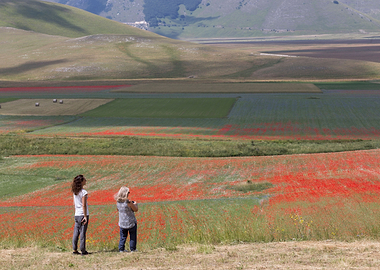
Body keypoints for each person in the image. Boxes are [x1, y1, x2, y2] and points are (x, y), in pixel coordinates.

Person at [114, 186, 138, 252]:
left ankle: (121, 249)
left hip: (122, 223)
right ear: (126, 193)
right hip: (131, 222)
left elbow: (118, 209)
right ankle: (133, 249)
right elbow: (135, 209)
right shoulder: (128, 202)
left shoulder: (118, 202)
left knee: (123, 237)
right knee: (132, 236)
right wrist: (135, 204)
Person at [71, 174, 89, 255]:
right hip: (82, 214)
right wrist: (85, 216)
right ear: (81, 182)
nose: (86, 180)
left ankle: (74, 249)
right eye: (84, 179)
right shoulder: (84, 192)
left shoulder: (75, 192)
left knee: (76, 232)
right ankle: (83, 250)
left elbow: (74, 204)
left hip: (77, 214)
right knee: (82, 233)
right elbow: (84, 205)